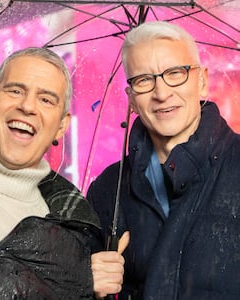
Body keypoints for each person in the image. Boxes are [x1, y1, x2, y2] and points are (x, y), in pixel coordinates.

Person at [88, 21, 240, 299]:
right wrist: (89, 286)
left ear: (202, 81)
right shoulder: (108, 189)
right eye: (144, 80)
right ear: (131, 99)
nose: (161, 93)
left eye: (175, 73)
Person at [0, 46, 103, 299]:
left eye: (46, 100)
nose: (27, 106)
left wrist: (84, 284)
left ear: (61, 126)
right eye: (15, 90)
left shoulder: (72, 238)